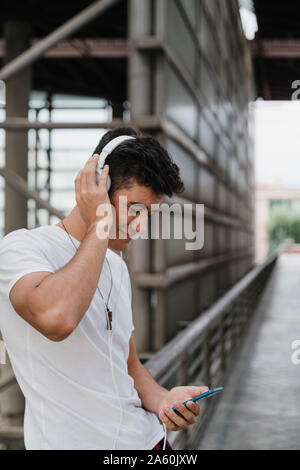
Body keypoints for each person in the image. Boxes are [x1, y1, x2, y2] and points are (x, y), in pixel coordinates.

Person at [0, 127, 208, 450]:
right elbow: (57, 319)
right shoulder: (21, 250)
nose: (140, 226)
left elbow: (129, 368)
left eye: (148, 215)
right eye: (135, 209)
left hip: (150, 443)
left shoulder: (117, 269)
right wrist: (100, 222)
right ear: (99, 186)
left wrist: (165, 400)